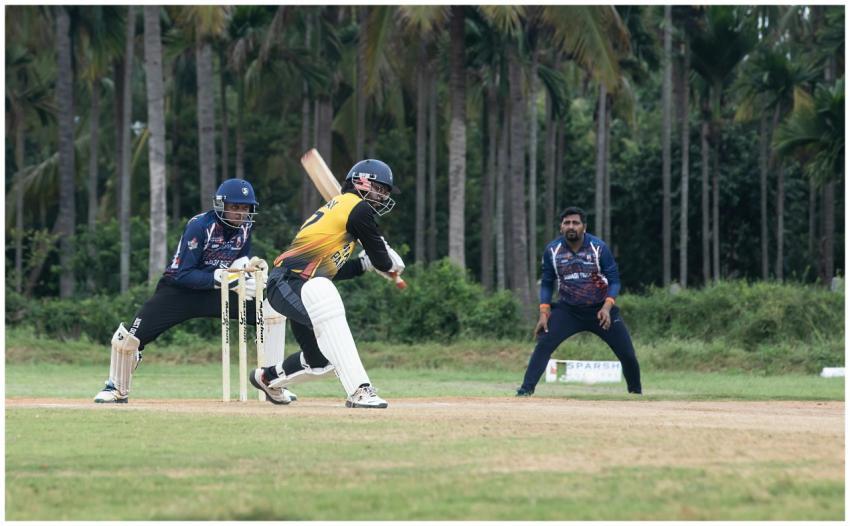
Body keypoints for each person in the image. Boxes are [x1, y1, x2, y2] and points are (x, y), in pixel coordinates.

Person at [93, 178, 294, 403]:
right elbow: (183, 273)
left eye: (245, 208)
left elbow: (240, 258)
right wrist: (223, 278)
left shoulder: (246, 227)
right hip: (179, 292)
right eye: (235, 207)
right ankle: (116, 389)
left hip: (217, 292)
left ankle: (273, 383)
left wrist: (248, 275)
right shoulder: (200, 226)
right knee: (129, 339)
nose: (240, 213)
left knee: (269, 314)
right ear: (221, 205)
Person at [248, 158, 405, 409]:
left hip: (302, 285)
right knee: (330, 326)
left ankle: (267, 378)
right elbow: (382, 259)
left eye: (385, 192)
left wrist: (365, 264)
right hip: (287, 282)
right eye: (380, 189)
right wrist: (387, 262)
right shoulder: (357, 209)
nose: (383, 197)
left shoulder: (343, 213)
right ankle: (360, 390)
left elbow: (330, 271)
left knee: (319, 361)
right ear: (362, 183)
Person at [516, 206, 642, 396]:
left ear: (584, 227)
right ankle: (525, 390)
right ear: (561, 227)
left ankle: (635, 393)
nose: (571, 226)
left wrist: (607, 307)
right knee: (544, 343)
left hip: (601, 311)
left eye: (575, 223)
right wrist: (544, 312)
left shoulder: (598, 248)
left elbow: (614, 281)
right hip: (568, 310)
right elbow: (547, 282)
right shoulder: (553, 250)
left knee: (627, 354)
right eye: (567, 223)